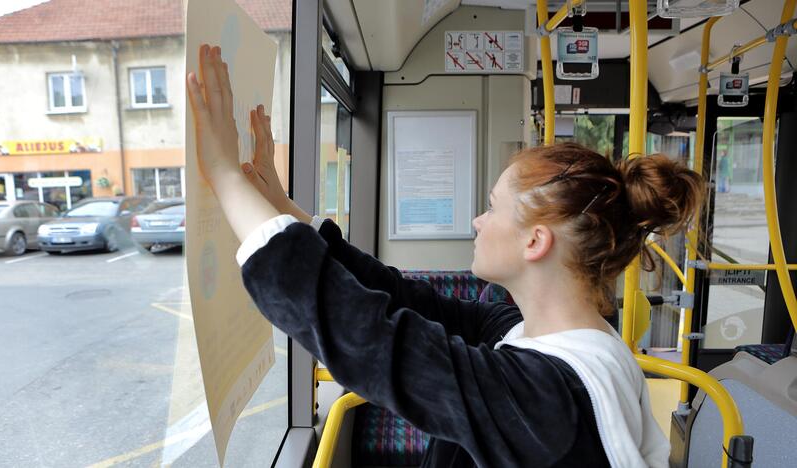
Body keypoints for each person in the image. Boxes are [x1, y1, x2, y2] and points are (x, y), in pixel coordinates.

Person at [187, 44, 703, 468]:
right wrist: (280, 206)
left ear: (535, 242)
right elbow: (402, 299)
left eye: (493, 208)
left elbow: (370, 339)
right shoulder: (538, 334)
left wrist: (226, 175)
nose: (478, 222)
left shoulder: (544, 400)